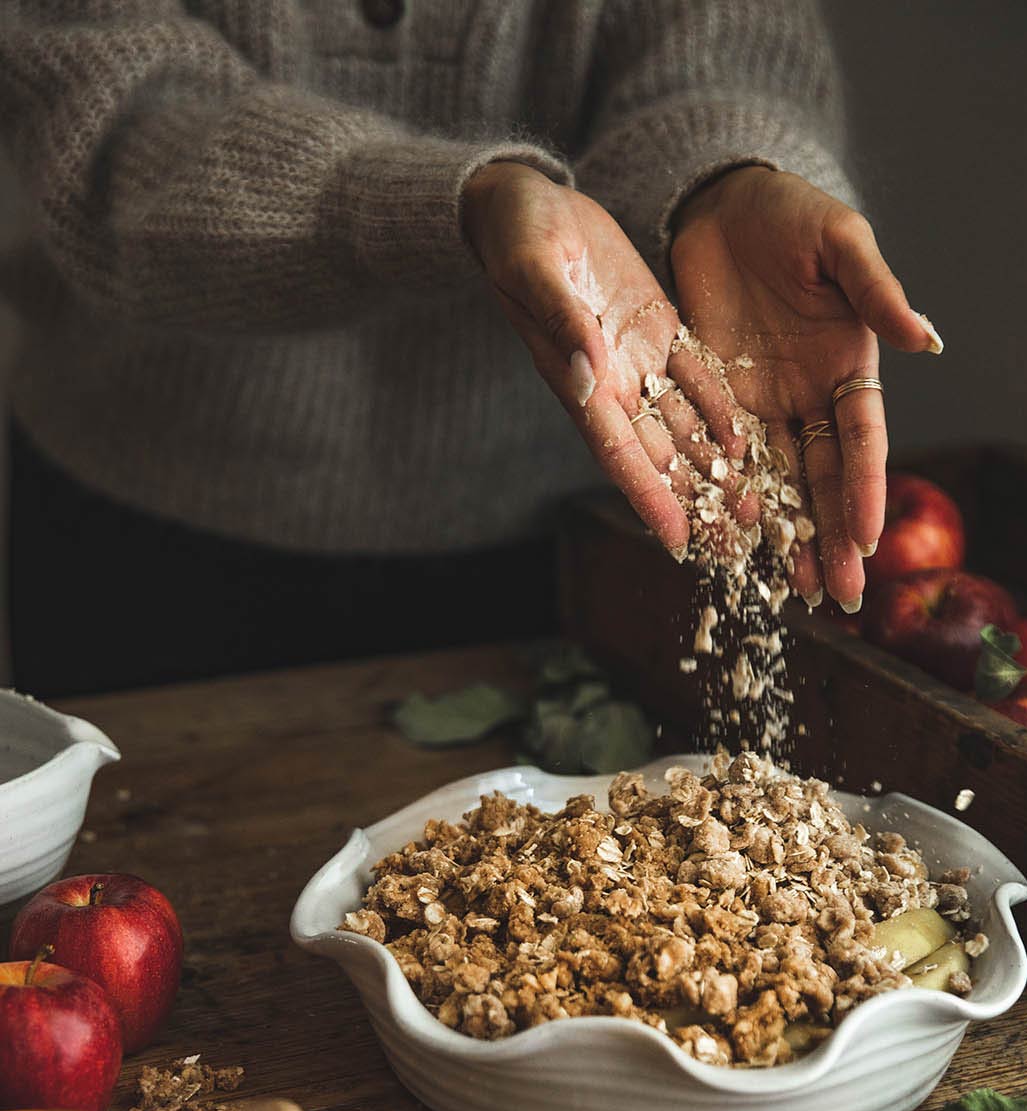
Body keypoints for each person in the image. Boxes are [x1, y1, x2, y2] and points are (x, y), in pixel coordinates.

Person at [0, 0, 940, 697]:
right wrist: (455, 200)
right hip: (141, 514)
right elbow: (111, 126)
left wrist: (730, 175)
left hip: (552, 531)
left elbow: (725, 53)